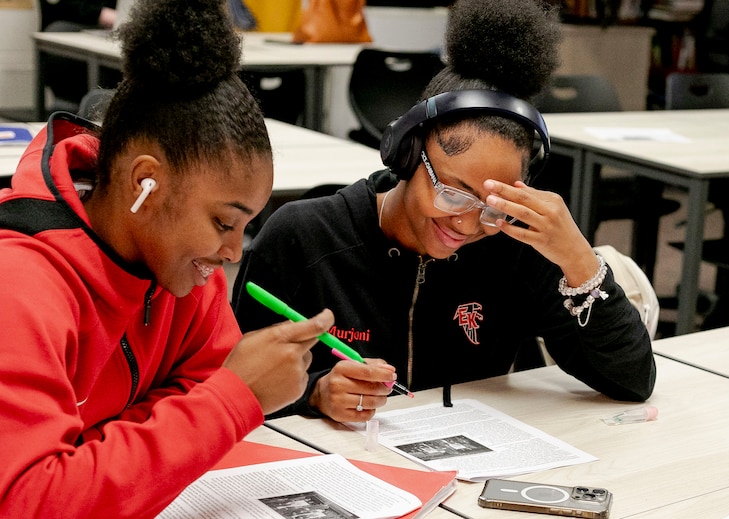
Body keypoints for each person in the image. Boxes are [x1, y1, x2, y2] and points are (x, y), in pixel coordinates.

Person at [232, 0, 657, 424]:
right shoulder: (303, 238)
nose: (468, 224)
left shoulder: (516, 246)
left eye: (491, 207)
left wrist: (579, 262)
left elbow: (632, 380)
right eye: (454, 194)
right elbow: (230, 390)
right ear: (406, 153)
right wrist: (315, 392)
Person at [0, 0, 333, 516]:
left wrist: (97, 462)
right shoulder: (18, 285)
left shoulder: (183, 273)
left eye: (246, 227)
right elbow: (30, 503)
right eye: (224, 222)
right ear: (144, 183)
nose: (229, 254)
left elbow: (196, 385)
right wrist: (230, 402)